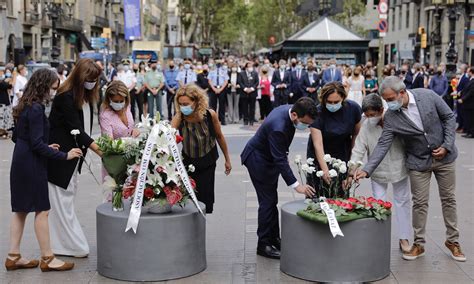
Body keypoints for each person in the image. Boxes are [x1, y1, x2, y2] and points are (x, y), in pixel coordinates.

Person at [355, 76, 466, 262]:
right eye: (386, 100)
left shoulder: (427, 96)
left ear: (402, 92)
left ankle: (453, 242)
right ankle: (419, 244)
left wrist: (447, 145)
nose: (388, 104)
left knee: (448, 199)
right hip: (418, 161)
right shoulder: (391, 116)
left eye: (390, 99)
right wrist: (366, 170)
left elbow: (448, 117)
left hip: (445, 158)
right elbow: (383, 143)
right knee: (419, 203)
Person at [7, 68, 81, 272]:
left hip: (19, 161)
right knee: (42, 210)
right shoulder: (37, 109)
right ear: (43, 86)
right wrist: (65, 155)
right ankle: (48, 258)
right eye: (52, 88)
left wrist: (45, 145)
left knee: (20, 210)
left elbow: (18, 137)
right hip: (32, 164)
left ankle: (13, 256)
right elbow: (38, 145)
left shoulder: (24, 104)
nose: (53, 93)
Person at [241, 97, 317, 259]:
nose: (306, 127)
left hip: (268, 157)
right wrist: (297, 185)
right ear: (295, 115)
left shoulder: (290, 109)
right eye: (305, 123)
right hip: (258, 160)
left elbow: (280, 154)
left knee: (271, 200)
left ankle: (274, 238)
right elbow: (280, 160)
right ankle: (263, 244)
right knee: (267, 202)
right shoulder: (279, 127)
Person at [47, 58, 103, 258]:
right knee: (62, 204)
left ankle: (61, 244)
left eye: (95, 79)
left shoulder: (84, 97)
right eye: (90, 79)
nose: (93, 83)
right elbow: (77, 130)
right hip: (61, 158)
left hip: (72, 158)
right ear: (80, 77)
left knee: (65, 202)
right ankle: (71, 245)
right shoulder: (66, 97)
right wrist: (101, 151)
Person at [351, 94, 412, 253]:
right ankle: (380, 238)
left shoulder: (396, 120)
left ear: (381, 110)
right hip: (376, 171)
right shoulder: (366, 126)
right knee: (379, 204)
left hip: (399, 168)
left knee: (402, 202)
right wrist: (352, 169)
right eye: (367, 115)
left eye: (373, 115)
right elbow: (358, 149)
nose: (370, 118)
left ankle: (404, 238)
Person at [171, 84, 232, 214]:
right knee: (189, 199)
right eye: (180, 104)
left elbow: (219, 137)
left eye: (186, 104)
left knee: (205, 198)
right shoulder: (179, 117)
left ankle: (200, 225)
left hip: (207, 161)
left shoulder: (210, 115)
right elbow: (169, 137)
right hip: (188, 161)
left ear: (196, 101)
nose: (183, 107)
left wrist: (227, 159)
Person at [307, 82, 362, 189]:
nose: (332, 105)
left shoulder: (353, 109)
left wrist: (352, 167)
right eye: (329, 102)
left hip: (342, 151)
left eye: (336, 102)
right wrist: (325, 170)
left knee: (341, 190)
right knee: (319, 190)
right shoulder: (317, 112)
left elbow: (356, 136)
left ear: (343, 98)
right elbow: (318, 144)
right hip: (320, 153)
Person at [208, 59, 229, 125]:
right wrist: (214, 89)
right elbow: (209, 80)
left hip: (221, 89)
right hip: (213, 88)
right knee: (213, 105)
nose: (218, 64)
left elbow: (226, 81)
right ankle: (213, 120)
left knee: (222, 105)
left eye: (219, 63)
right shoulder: (212, 70)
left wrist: (220, 89)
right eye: (217, 63)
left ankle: (222, 120)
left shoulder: (224, 71)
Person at [238, 61, 259, 126]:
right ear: (246, 67)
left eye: (251, 66)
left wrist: (252, 88)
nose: (251, 68)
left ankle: (251, 120)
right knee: (245, 107)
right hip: (244, 93)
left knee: (252, 108)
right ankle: (245, 120)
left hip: (253, 93)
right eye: (249, 66)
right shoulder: (241, 73)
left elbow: (257, 82)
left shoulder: (255, 73)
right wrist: (245, 89)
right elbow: (240, 82)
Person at [457, 67, 474, 138]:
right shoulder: (471, 79)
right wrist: (460, 93)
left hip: (471, 103)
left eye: (468, 72)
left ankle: (471, 132)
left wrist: (463, 99)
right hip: (467, 104)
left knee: (471, 119)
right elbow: (466, 89)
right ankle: (468, 131)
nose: (467, 73)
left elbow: (471, 92)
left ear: (471, 72)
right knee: (467, 118)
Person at [0, 67, 14, 138]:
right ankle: (2, 132)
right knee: (2, 118)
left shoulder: (4, 81)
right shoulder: (2, 82)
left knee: (5, 117)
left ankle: (4, 132)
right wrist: (6, 81)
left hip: (5, 101)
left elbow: (10, 86)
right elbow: (6, 86)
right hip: (2, 102)